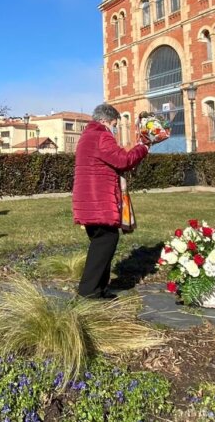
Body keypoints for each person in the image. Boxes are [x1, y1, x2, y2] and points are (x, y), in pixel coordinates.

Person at [72, 103, 152, 299]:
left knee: (102, 241)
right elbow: (122, 160)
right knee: (106, 240)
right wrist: (143, 147)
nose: (115, 128)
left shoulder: (86, 136)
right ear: (105, 121)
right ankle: (88, 291)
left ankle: (99, 289)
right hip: (98, 201)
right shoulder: (102, 135)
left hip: (87, 200)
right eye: (115, 124)